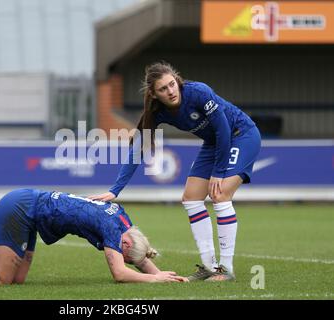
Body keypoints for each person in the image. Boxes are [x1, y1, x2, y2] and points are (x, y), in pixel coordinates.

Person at [90, 62, 262, 282]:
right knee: (191, 198)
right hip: (213, 142)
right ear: (154, 94)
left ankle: (226, 269)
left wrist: (219, 172)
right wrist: (116, 189)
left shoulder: (198, 92)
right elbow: (138, 149)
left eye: (172, 84)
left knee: (219, 195)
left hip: (240, 135)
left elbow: (223, 129)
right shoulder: (156, 112)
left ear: (178, 81)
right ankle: (210, 267)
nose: (170, 91)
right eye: (163, 89)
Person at [0, 188, 187, 286]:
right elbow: (120, 274)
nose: (121, 257)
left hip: (32, 210)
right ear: (124, 243)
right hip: (21, 208)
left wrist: (164, 274)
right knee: (2, 279)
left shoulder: (124, 221)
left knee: (16, 280)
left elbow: (140, 255)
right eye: (125, 255)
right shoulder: (114, 230)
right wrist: (153, 278)